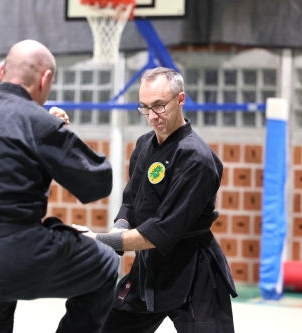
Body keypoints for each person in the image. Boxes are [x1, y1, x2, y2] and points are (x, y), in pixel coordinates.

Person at [0, 39, 119, 333]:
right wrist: (56, 133)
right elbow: (97, 181)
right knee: (106, 262)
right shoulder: (37, 122)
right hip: (16, 255)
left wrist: (43, 130)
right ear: (45, 79)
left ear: (1, 72)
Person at [74, 67, 238, 333]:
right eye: (145, 107)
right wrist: (118, 230)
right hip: (150, 268)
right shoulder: (144, 146)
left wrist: (100, 239)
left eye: (160, 106)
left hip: (194, 273)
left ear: (181, 99)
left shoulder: (196, 159)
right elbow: (130, 203)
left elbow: (161, 231)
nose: (152, 116)